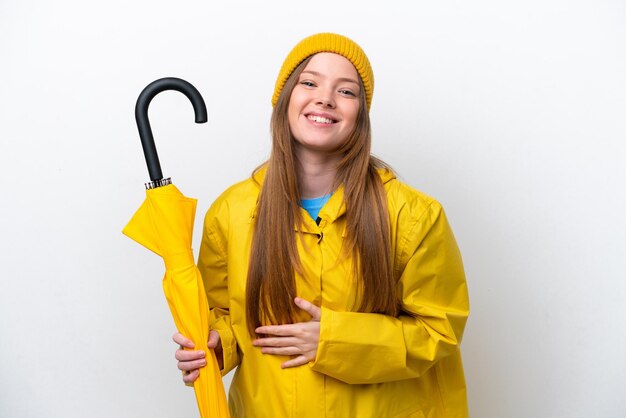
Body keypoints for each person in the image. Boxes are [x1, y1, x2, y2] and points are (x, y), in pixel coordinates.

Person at [173, 32, 470, 417]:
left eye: (346, 92)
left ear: (360, 115)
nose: (325, 98)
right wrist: (216, 345)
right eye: (309, 82)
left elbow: (439, 331)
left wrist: (334, 340)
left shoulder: (412, 215)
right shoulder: (232, 212)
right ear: (285, 100)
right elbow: (227, 316)